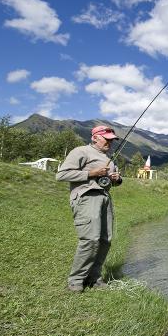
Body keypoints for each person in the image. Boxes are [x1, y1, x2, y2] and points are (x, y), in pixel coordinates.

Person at [56, 125, 122, 293]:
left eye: (112, 140)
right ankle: (76, 280)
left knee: (105, 240)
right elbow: (62, 175)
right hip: (86, 197)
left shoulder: (109, 159)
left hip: (105, 198)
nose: (110, 142)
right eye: (106, 139)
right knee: (90, 239)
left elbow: (109, 181)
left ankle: (94, 277)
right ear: (95, 137)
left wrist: (116, 178)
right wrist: (92, 173)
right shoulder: (81, 151)